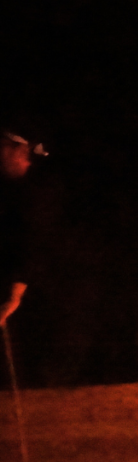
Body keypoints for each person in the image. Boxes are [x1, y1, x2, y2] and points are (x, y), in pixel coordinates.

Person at [0, 130, 41, 328]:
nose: (28, 162)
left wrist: (14, 295)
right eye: (24, 154)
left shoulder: (21, 194)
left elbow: (25, 240)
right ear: (7, 149)